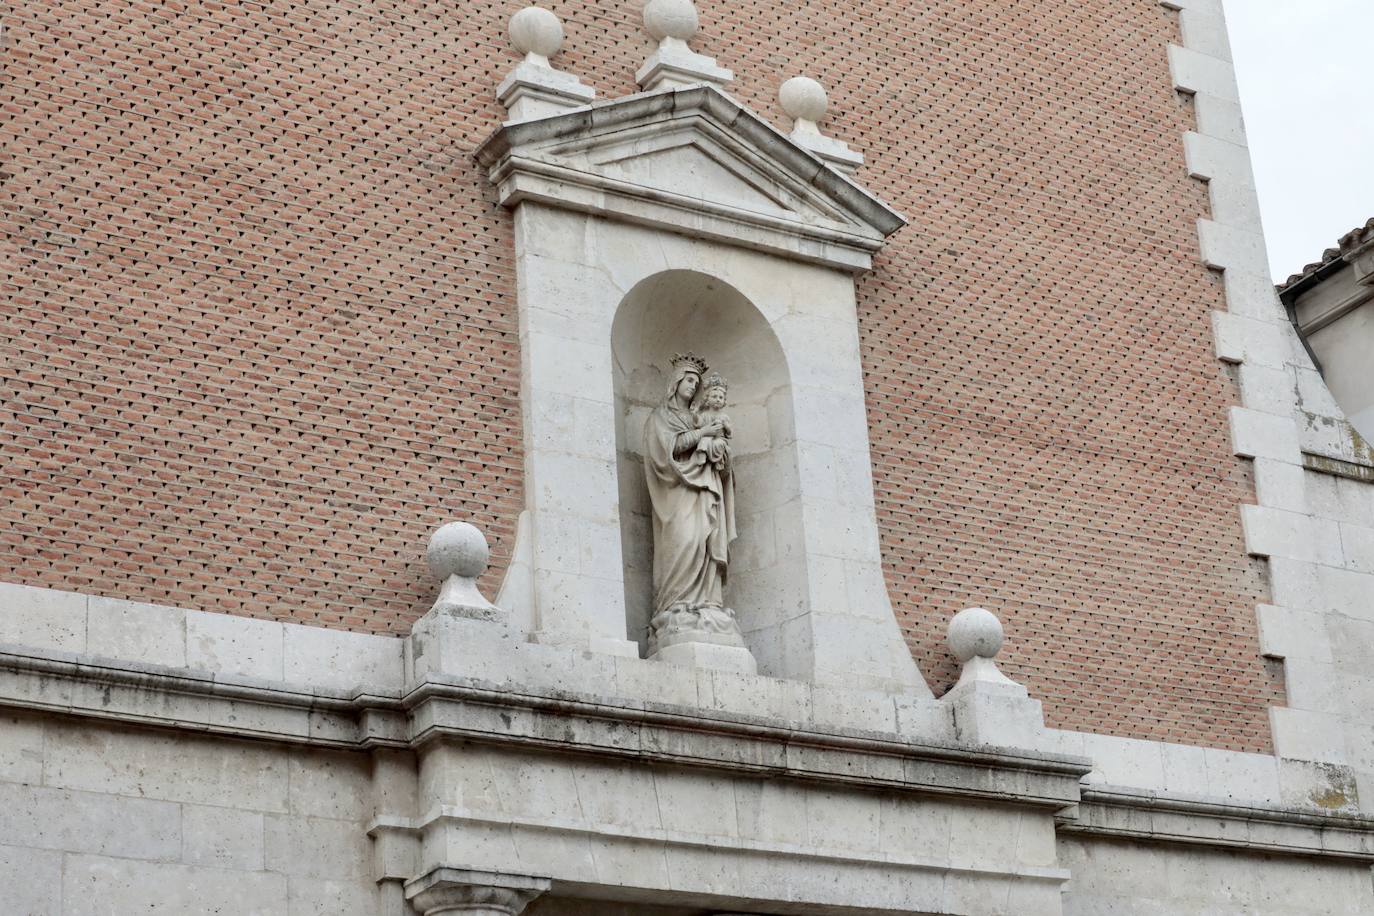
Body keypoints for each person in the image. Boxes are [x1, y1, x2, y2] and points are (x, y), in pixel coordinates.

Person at [641, 353, 738, 652]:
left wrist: (719, 452)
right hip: (677, 493)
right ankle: (675, 605)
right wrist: (702, 436)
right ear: (676, 383)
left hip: (706, 489)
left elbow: (721, 457)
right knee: (684, 540)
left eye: (696, 382)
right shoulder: (661, 417)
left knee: (706, 541)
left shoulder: (699, 416)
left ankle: (708, 602)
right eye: (689, 380)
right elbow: (666, 451)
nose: (693, 386)